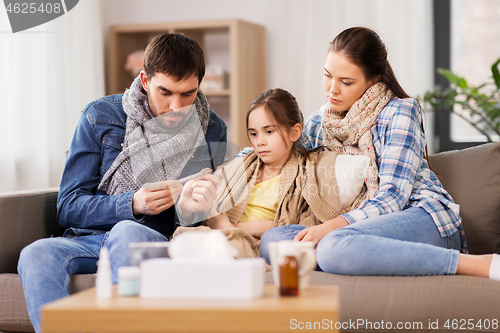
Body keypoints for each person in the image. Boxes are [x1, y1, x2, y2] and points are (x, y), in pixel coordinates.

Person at [17, 32, 226, 332]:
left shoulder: (213, 129)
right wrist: (132, 203)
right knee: (34, 253)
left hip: (156, 240)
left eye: (187, 94)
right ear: (144, 79)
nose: (175, 106)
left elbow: (202, 222)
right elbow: (68, 205)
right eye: (164, 92)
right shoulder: (99, 116)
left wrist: (193, 206)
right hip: (89, 239)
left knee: (128, 231)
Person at [259, 27, 500, 280]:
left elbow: (393, 197)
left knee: (332, 247)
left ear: (373, 80)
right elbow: (283, 155)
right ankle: (358, 254)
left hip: (420, 215)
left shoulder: (400, 111)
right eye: (328, 76)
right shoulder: (321, 123)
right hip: (357, 228)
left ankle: (475, 264)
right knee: (275, 241)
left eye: (346, 82)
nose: (332, 90)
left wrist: (332, 228)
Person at [174, 88, 357, 258]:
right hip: (216, 234)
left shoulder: (307, 174)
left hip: (252, 243)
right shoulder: (239, 165)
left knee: (221, 249)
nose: (259, 142)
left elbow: (289, 227)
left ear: (295, 132)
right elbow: (208, 213)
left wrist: (229, 226)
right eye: (253, 134)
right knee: (182, 239)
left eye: (269, 131)